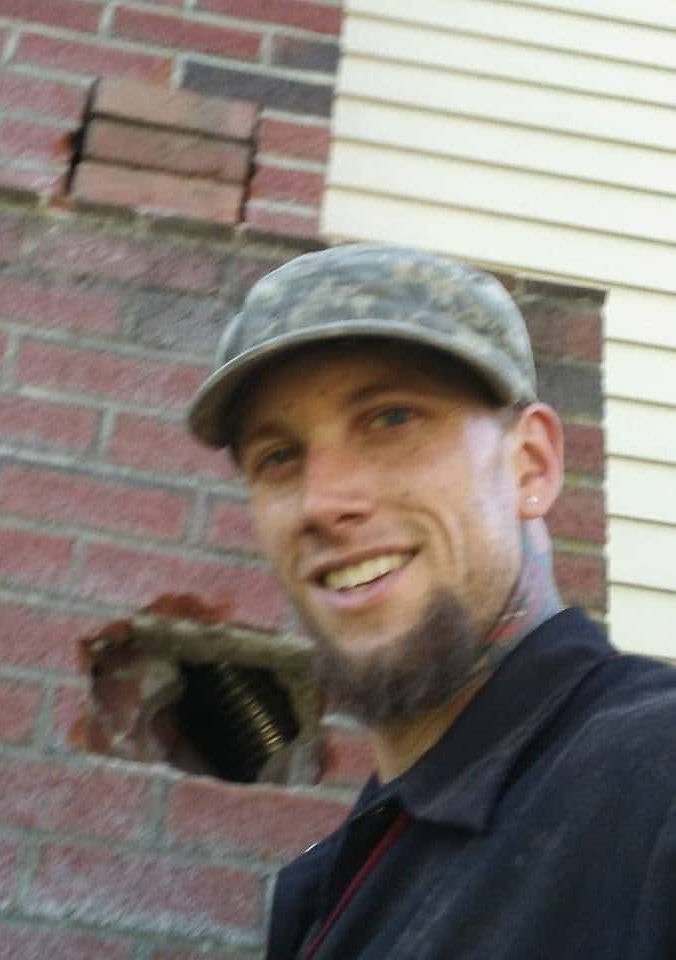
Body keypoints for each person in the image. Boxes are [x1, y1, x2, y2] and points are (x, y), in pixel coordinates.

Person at [186, 245, 676, 960]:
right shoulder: (335, 884)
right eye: (278, 456)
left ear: (529, 464)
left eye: (391, 419)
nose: (323, 502)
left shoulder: (653, 785)